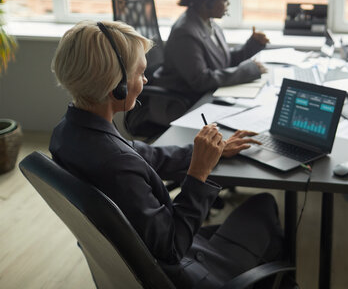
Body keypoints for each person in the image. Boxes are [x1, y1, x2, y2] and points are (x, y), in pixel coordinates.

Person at [49, 20, 292, 288]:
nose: (146, 79)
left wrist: (210, 152)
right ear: (115, 86)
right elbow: (172, 248)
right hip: (181, 273)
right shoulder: (116, 165)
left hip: (139, 256)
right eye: (140, 73)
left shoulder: (69, 132)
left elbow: (144, 155)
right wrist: (198, 172)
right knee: (264, 204)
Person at [149, 0, 269, 126]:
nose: (228, 3)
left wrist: (252, 45)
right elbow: (201, 80)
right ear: (207, 2)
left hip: (203, 98)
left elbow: (220, 61)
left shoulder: (208, 22)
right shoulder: (184, 32)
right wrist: (247, 71)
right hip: (182, 104)